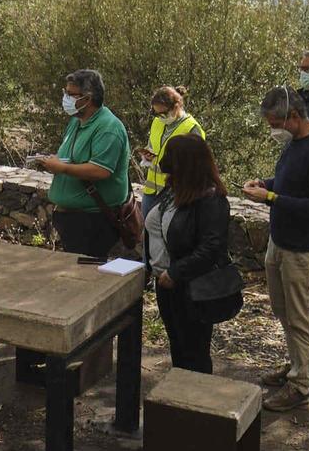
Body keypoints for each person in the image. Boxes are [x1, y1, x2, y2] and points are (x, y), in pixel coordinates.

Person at [240, 87, 309, 412]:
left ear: (293, 117)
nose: (273, 129)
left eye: (275, 122)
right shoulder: (295, 143)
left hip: (304, 251)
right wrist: (266, 184)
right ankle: (297, 363)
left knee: (302, 317)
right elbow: (288, 180)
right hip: (279, 243)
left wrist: (270, 199)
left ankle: (300, 385)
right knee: (285, 313)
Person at [144, 133, 242, 375]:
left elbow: (211, 248)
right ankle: (180, 399)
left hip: (190, 288)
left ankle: (197, 403)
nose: (165, 168)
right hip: (166, 284)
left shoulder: (212, 201)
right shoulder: (173, 190)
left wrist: (176, 272)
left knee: (194, 351)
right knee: (178, 346)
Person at [27, 68, 132, 260]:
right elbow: (69, 156)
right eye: (65, 92)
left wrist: (61, 168)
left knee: (87, 276)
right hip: (73, 219)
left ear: (88, 98)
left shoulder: (109, 127)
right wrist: (51, 162)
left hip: (93, 221)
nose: (65, 98)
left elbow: (100, 170)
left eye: (70, 94)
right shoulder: (77, 121)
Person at [139, 85, 204, 219]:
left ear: (176, 107)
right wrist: (147, 157)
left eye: (162, 113)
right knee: (147, 232)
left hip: (174, 194)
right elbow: (152, 146)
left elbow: (198, 167)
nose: (159, 117)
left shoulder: (192, 128)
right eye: (156, 113)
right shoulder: (157, 122)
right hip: (151, 191)